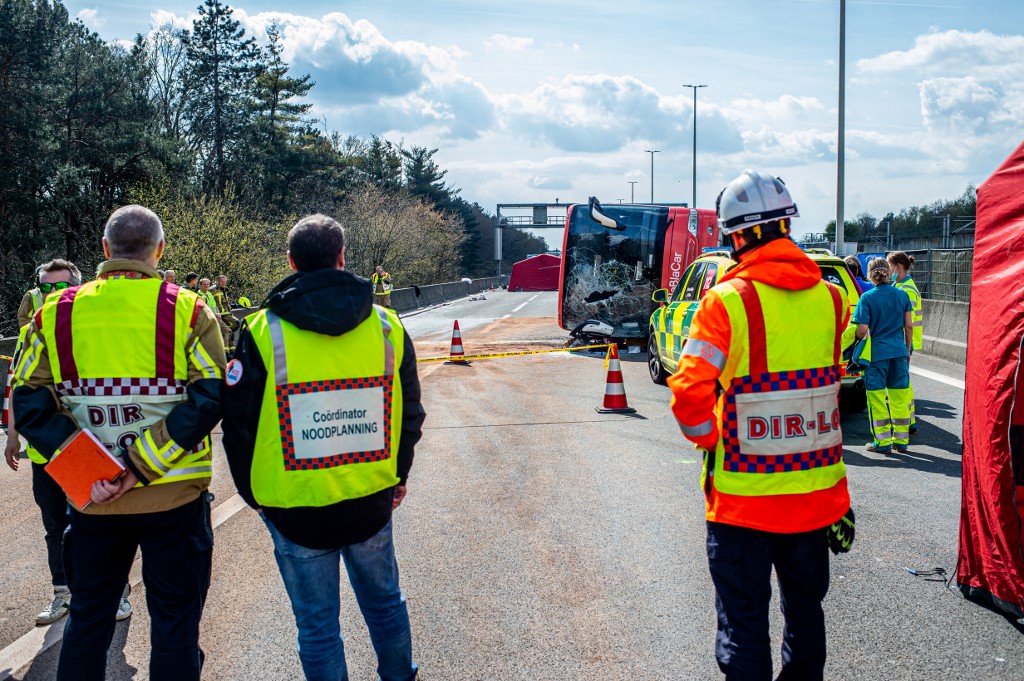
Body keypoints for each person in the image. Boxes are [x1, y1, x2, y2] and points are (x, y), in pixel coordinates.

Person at [11, 205, 226, 681]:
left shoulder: (53, 312)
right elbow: (210, 395)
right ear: (159, 251)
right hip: (175, 496)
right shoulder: (189, 309)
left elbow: (26, 400)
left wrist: (96, 471)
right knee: (175, 625)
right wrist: (139, 465)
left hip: (93, 502)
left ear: (105, 251)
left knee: (87, 624)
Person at [222, 214, 425, 681]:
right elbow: (409, 414)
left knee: (316, 627)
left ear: (291, 262)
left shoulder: (260, 331)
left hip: (295, 510)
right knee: (385, 604)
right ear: (342, 258)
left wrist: (255, 496)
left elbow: (238, 425)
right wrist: (399, 476)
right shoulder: (387, 325)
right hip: (371, 499)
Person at [669, 170, 853, 680]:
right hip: (817, 498)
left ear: (735, 235)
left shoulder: (726, 302)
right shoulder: (833, 300)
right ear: (787, 226)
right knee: (806, 618)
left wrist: (713, 439)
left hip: (743, 506)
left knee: (745, 625)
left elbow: (689, 393)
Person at [3, 260, 135, 626]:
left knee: (101, 521)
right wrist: (13, 436)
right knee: (53, 525)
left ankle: (118, 593)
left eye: (59, 288)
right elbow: (18, 388)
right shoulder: (32, 334)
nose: (50, 296)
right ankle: (62, 592)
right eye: (44, 289)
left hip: (86, 448)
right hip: (45, 453)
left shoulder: (90, 331)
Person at [855, 258, 914, 453]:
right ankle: (901, 442)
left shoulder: (867, 298)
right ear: (888, 273)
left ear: (871, 274)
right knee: (899, 398)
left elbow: (862, 330)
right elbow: (909, 326)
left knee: (877, 399)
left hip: (876, 356)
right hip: (898, 353)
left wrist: (852, 339)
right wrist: (906, 350)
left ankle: (882, 442)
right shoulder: (902, 295)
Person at [887, 251, 922, 435]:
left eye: (889, 265)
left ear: (898, 267)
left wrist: (907, 348)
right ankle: (910, 419)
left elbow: (908, 323)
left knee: (902, 382)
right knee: (903, 381)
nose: (888, 269)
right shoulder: (899, 285)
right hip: (902, 341)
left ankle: (908, 421)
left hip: (904, 342)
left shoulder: (906, 290)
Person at [199, 277, 232, 348]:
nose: (206, 286)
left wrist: (218, 314)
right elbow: (203, 309)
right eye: (204, 284)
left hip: (216, 317)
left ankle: (226, 351)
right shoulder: (199, 295)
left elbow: (215, 305)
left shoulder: (209, 294)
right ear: (200, 285)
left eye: (208, 284)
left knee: (227, 330)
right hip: (207, 319)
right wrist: (215, 315)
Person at [213, 274, 240, 346]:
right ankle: (225, 348)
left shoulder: (224, 290)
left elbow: (225, 303)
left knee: (232, 330)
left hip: (226, 313)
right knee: (234, 325)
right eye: (222, 281)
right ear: (217, 281)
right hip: (220, 314)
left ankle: (231, 349)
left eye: (225, 281)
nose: (224, 283)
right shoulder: (213, 290)